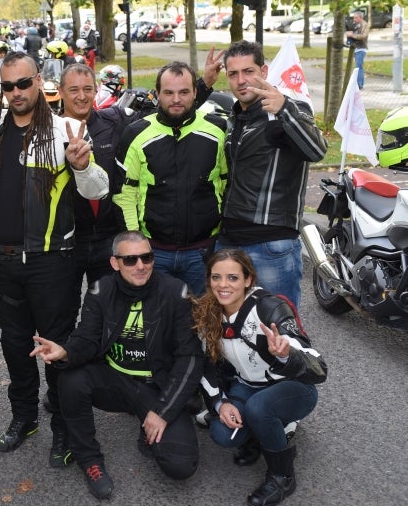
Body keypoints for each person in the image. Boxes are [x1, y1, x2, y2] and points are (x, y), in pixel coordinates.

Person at [0, 51, 111, 467]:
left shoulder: (66, 129)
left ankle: (62, 427)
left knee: (56, 348)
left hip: (53, 263)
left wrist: (83, 166)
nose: (16, 93)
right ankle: (24, 418)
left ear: (39, 81)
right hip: (3, 264)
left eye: (24, 83)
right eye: (8, 86)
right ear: (0, 88)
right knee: (16, 347)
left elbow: (97, 191)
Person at [30, 231, 203, 500]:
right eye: (130, 260)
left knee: (180, 465)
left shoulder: (175, 292)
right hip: (116, 380)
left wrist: (163, 412)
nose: (140, 266)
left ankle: (148, 425)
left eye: (146, 257)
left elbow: (189, 358)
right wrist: (65, 351)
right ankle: (89, 460)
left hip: (157, 384)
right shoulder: (101, 291)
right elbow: (87, 338)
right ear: (115, 263)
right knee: (70, 378)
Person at [192, 249, 327, 506]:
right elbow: (205, 367)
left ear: (248, 280)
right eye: (216, 277)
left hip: (293, 388)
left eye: (232, 277)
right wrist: (221, 403)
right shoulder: (208, 313)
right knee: (223, 434)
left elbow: (320, 368)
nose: (223, 285)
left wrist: (287, 355)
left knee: (258, 407)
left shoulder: (269, 308)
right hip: (249, 386)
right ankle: (265, 430)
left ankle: (282, 476)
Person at [218, 41, 327, 308]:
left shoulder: (291, 109)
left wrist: (285, 109)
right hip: (229, 240)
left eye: (249, 71)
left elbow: (317, 151)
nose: (241, 80)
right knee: (230, 327)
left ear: (264, 71)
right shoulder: (236, 118)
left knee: (279, 330)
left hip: (271, 245)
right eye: (233, 74)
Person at [114, 61, 227, 295]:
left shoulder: (219, 130)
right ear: (157, 94)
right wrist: (137, 247)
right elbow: (125, 195)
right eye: (169, 92)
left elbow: (227, 185)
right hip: (154, 253)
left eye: (184, 92)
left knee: (202, 324)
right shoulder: (135, 133)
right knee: (157, 325)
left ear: (195, 92)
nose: (176, 99)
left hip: (203, 252)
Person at [59, 63, 131, 300]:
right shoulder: (49, 131)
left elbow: (166, 113)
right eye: (73, 90)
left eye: (87, 89)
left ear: (96, 90)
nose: (82, 96)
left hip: (108, 237)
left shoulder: (114, 121)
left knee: (108, 311)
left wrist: (204, 86)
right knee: (63, 313)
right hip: (67, 242)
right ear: (60, 92)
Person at [345, 10, 369, 89]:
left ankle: (359, 84)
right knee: (356, 66)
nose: (354, 19)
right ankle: (356, 83)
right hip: (354, 48)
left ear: (361, 18)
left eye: (356, 18)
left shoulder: (364, 25)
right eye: (354, 18)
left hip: (361, 48)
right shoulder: (354, 24)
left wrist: (352, 35)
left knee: (359, 66)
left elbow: (363, 36)